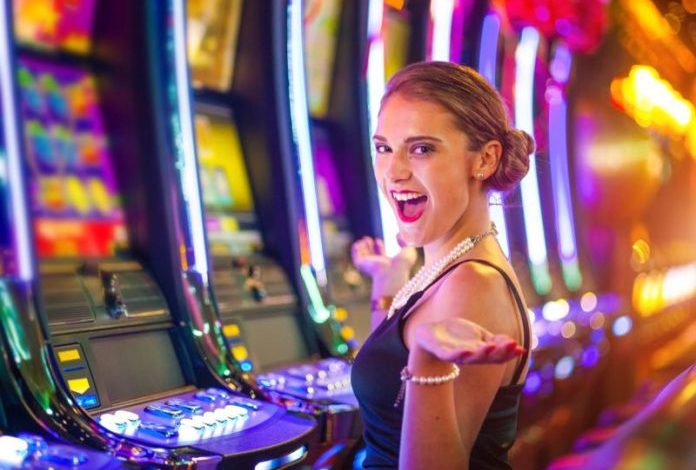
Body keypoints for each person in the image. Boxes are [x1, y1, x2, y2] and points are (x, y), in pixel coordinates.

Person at [350, 61, 534, 469]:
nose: (394, 172)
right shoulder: (452, 266)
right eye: (383, 148)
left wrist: (428, 362)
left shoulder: (474, 284)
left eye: (421, 149)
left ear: (484, 160)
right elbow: (394, 402)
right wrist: (387, 288)